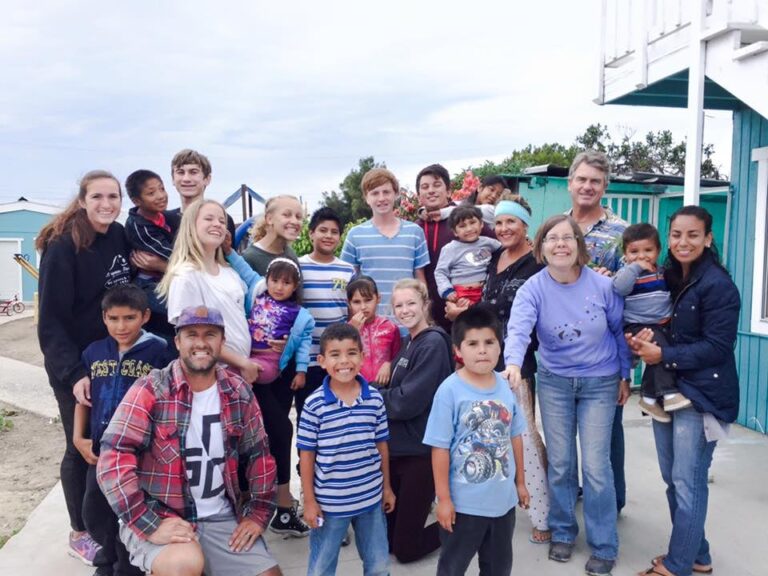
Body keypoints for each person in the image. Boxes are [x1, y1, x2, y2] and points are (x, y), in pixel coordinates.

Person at [97, 306, 281, 576]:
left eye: (210, 334)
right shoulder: (151, 389)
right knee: (184, 564)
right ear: (178, 342)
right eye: (191, 334)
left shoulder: (237, 391)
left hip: (220, 516)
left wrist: (257, 514)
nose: (201, 343)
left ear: (222, 342)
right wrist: (148, 522)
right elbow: (112, 459)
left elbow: (259, 456)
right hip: (161, 513)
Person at [503, 215, 631, 576]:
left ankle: (604, 544)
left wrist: (625, 374)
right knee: (560, 463)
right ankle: (562, 531)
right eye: (552, 238)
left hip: (600, 381)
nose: (560, 244)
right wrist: (513, 363)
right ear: (541, 247)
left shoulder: (602, 287)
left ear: (579, 245)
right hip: (556, 382)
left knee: (595, 466)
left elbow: (620, 331)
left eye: (567, 238)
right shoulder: (533, 288)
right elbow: (518, 329)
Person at [629, 206, 740, 576]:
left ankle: (678, 566)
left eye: (693, 235)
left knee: (687, 481)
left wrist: (664, 354)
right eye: (676, 234)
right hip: (667, 390)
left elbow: (718, 347)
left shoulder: (718, 285)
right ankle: (699, 555)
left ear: (708, 238)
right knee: (674, 477)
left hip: (699, 394)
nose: (683, 242)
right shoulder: (670, 277)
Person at [36, 170, 132, 565]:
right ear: (82, 200)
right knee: (82, 447)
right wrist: (74, 374)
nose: (107, 204)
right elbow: (50, 322)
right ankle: (79, 531)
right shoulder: (63, 247)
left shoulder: (119, 235)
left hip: (115, 356)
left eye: (113, 196)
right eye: (98, 197)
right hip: (76, 363)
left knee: (116, 441)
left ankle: (113, 520)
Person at [448, 195, 550, 544]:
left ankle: (542, 511)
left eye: (513, 222)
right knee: (491, 431)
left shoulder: (538, 262)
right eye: (501, 222)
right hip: (487, 361)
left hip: (519, 363)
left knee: (524, 435)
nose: (505, 228)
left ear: (525, 226)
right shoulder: (493, 257)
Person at [73, 285, 172, 576]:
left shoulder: (160, 351)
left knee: (130, 508)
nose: (121, 326)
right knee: (95, 510)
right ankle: (107, 560)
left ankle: (128, 565)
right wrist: (79, 438)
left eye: (129, 318)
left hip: (140, 452)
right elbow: (83, 398)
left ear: (145, 316)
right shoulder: (94, 352)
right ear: (104, 318)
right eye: (114, 318)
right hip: (100, 452)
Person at [424, 306, 529, 576]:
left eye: (489, 342)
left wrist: (520, 483)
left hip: (503, 505)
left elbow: (514, 435)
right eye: (473, 343)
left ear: (500, 347)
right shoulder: (449, 391)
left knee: (498, 568)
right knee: (452, 567)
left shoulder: (506, 386)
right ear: (458, 350)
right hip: (463, 506)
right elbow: (439, 448)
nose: (482, 350)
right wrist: (443, 499)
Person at [298, 323, 395, 576]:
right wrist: (309, 501)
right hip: (330, 504)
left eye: (352, 353)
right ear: (322, 360)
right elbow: (306, 455)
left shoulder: (374, 399)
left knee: (378, 564)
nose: (344, 361)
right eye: (335, 354)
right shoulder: (313, 404)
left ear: (362, 357)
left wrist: (386, 488)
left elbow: (381, 445)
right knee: (321, 567)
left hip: (371, 500)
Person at [566, 149, 629, 514]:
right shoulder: (558, 225)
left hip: (605, 352)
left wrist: (616, 280)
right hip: (562, 349)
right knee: (567, 432)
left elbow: (641, 284)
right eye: (582, 179)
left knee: (607, 433)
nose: (587, 186)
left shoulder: (620, 232)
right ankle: (578, 490)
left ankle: (612, 499)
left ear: (604, 187)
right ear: (571, 182)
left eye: (595, 181)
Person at [379, 279, 453, 563]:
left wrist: (372, 397)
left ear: (425, 304)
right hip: (398, 452)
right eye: (399, 305)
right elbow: (395, 391)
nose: (405, 310)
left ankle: (466, 524)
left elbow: (406, 402)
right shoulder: (410, 342)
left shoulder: (432, 342)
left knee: (406, 550)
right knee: (389, 542)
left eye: (411, 303)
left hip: (420, 455)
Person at [156, 199, 259, 384]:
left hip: (242, 372)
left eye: (221, 220)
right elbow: (193, 337)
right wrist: (241, 362)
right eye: (209, 219)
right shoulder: (186, 276)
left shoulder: (230, 273)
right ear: (191, 226)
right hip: (212, 375)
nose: (217, 224)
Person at [613, 223, 688, 423]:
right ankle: (668, 394)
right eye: (634, 251)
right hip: (638, 325)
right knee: (660, 351)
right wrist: (635, 267)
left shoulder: (663, 272)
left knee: (660, 357)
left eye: (648, 250)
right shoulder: (627, 273)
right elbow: (619, 288)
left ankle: (649, 397)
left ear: (659, 251)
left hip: (663, 324)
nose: (642, 256)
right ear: (625, 253)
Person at [340, 168, 429, 323]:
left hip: (407, 324)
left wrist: (424, 317)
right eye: (375, 193)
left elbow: (420, 279)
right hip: (370, 327)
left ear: (396, 194)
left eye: (386, 192)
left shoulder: (414, 232)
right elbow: (348, 283)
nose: (381, 198)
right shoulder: (355, 235)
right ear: (366, 198)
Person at [415, 164, 494, 331]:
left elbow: (498, 246)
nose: (431, 191)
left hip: (466, 308)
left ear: (449, 191)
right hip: (426, 315)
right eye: (425, 187)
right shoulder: (415, 229)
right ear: (419, 195)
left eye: (437, 185)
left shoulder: (466, 223)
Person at [298, 207, 355, 419]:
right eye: (323, 230)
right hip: (308, 360)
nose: (328, 236)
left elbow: (350, 310)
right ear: (311, 233)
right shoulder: (299, 266)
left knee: (338, 416)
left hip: (338, 357)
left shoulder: (347, 269)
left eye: (334, 232)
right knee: (309, 417)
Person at [124, 169, 180, 346]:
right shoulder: (141, 227)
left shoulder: (163, 217)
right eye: (151, 193)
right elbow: (169, 253)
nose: (160, 196)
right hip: (147, 284)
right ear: (136, 201)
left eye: (162, 189)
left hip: (163, 277)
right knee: (180, 311)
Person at [434, 205, 501, 307]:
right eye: (462, 226)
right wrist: (447, 290)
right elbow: (440, 272)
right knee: (466, 321)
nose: (469, 229)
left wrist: (526, 241)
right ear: (455, 232)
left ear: (481, 224)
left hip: (486, 292)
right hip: (462, 295)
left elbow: (506, 249)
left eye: (472, 222)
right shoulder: (450, 249)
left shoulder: (489, 243)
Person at [346, 276, 401, 386]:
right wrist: (352, 332)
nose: (363, 307)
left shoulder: (390, 328)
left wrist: (389, 364)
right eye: (356, 302)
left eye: (368, 300)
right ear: (349, 303)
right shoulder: (344, 331)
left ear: (378, 298)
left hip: (385, 388)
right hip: (354, 387)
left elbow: (399, 357)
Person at [242, 195, 303, 274]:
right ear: (269, 219)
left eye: (298, 217)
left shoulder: (290, 254)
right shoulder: (250, 257)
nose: (294, 221)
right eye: (286, 215)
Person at [419, 174, 507, 228]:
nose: (494, 196)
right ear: (480, 187)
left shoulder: (493, 211)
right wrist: (422, 210)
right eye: (491, 189)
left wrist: (442, 213)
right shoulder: (462, 203)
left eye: (498, 194)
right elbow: (448, 205)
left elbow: (469, 211)